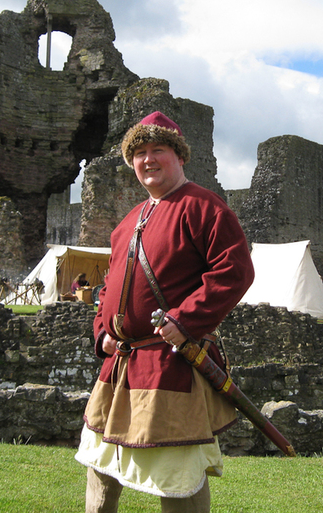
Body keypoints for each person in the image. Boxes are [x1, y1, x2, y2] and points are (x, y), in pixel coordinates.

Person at [75, 111, 255, 512]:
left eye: (158, 150)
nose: (148, 159)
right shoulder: (127, 223)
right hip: (119, 367)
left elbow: (235, 270)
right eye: (139, 152)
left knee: (176, 470)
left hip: (168, 365)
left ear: (180, 157)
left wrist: (185, 319)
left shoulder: (205, 208)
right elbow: (109, 288)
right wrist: (102, 330)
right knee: (99, 464)